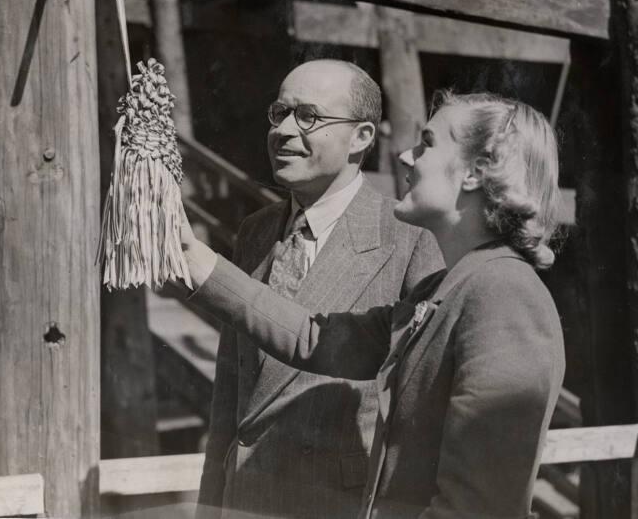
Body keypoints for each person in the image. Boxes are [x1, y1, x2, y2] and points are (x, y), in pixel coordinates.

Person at [183, 91, 567, 519]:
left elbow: (477, 508)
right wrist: (198, 262)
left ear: (476, 172)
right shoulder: (449, 288)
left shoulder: (503, 293)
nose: (405, 157)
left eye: (427, 143)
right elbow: (315, 336)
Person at [196, 59, 443, 519]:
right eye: (279, 113)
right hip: (243, 500)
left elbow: (421, 417)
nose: (284, 131)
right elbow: (229, 396)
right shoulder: (255, 230)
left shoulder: (409, 238)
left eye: (308, 116)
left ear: (362, 137)